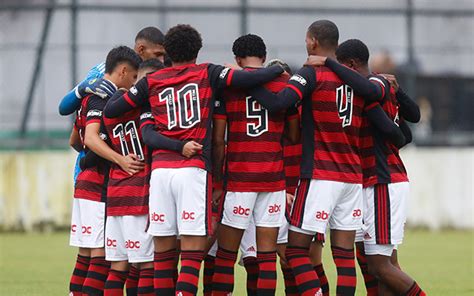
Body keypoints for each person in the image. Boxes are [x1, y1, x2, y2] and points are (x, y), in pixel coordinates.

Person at [103, 24, 285, 296]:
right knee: (191, 251)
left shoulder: (152, 81)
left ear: (168, 53)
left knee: (163, 254)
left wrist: (145, 105)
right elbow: (247, 81)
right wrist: (275, 69)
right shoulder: (207, 73)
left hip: (161, 173)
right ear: (197, 51)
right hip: (192, 170)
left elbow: (112, 109)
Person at [247, 20, 406, 295]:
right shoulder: (355, 79)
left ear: (312, 42)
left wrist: (245, 81)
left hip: (320, 174)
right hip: (352, 178)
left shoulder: (312, 74)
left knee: (296, 251)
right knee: (344, 258)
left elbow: (278, 103)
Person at [332, 39, 425, 296]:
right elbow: (406, 133)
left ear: (350, 64)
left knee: (380, 265)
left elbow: (399, 135)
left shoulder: (373, 87)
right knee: (378, 263)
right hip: (373, 181)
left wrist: (326, 62)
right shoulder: (376, 88)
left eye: (339, 67)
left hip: (383, 181)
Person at [210, 34, 300, 295]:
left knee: (226, 256)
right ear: (264, 55)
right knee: (267, 257)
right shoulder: (285, 83)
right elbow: (294, 136)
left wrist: (217, 182)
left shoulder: (229, 86)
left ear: (238, 59)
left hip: (240, 178)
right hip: (273, 179)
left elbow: (218, 141)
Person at [68, 46, 143, 295]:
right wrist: (119, 159)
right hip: (98, 185)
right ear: (123, 70)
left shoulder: (88, 97)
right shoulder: (103, 96)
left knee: (86, 257)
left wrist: (88, 158)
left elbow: (74, 141)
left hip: (84, 185)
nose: (135, 83)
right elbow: (90, 138)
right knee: (100, 258)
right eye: (134, 77)